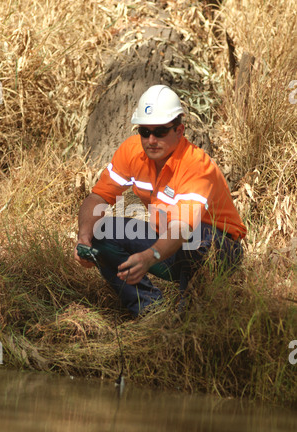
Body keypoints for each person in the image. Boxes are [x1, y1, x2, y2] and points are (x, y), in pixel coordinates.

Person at [74, 84, 247, 317]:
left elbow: (183, 228)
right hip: (168, 240)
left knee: (195, 240)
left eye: (160, 131)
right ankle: (150, 311)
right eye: (144, 132)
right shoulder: (132, 152)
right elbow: (98, 197)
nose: (151, 140)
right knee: (102, 231)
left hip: (218, 247)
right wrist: (84, 237)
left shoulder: (196, 165)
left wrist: (150, 256)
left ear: (179, 130)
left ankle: (189, 317)